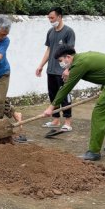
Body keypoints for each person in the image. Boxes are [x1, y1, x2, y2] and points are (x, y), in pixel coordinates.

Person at [43, 45, 105, 161]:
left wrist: (51, 107)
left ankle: (93, 152)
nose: (61, 64)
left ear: (68, 57)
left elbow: (66, 88)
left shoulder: (79, 64)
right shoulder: (82, 58)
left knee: (99, 114)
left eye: (61, 61)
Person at [36, 7, 75, 137]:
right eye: (49, 18)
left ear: (59, 17)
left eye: (52, 18)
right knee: (53, 96)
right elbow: (48, 50)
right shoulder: (50, 32)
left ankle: (68, 122)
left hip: (62, 71)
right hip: (51, 70)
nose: (50, 20)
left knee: (64, 96)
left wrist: (68, 69)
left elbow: (71, 53)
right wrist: (41, 65)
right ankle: (56, 120)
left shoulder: (68, 32)